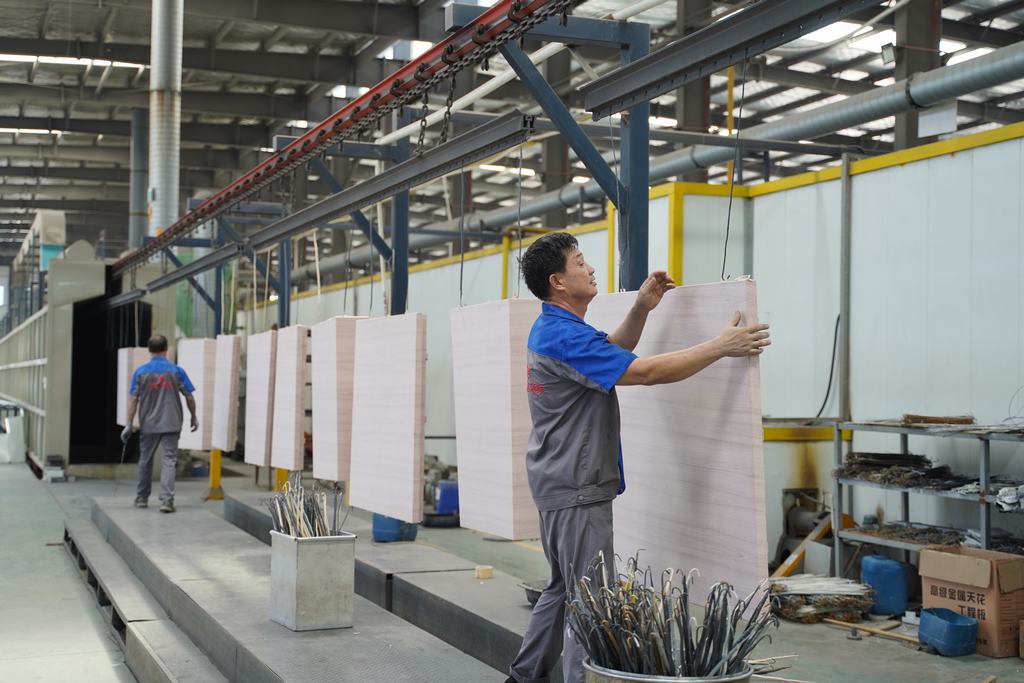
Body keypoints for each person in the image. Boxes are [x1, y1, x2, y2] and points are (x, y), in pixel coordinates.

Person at [507, 233, 771, 683]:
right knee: (590, 603)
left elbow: (611, 352)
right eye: (580, 262)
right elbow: (644, 372)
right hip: (577, 486)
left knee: (564, 589)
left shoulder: (554, 328)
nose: (591, 268)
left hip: (557, 480)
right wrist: (720, 347)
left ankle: (523, 676)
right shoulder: (564, 336)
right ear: (558, 281)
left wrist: (642, 308)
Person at [121, 334, 199, 514]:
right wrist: (193, 416)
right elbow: (189, 396)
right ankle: (167, 501)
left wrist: (129, 424)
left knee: (145, 460)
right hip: (171, 423)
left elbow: (133, 399)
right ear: (167, 349)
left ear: (149, 350)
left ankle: (142, 498)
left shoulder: (140, 372)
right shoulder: (176, 371)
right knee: (169, 461)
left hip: (148, 424)